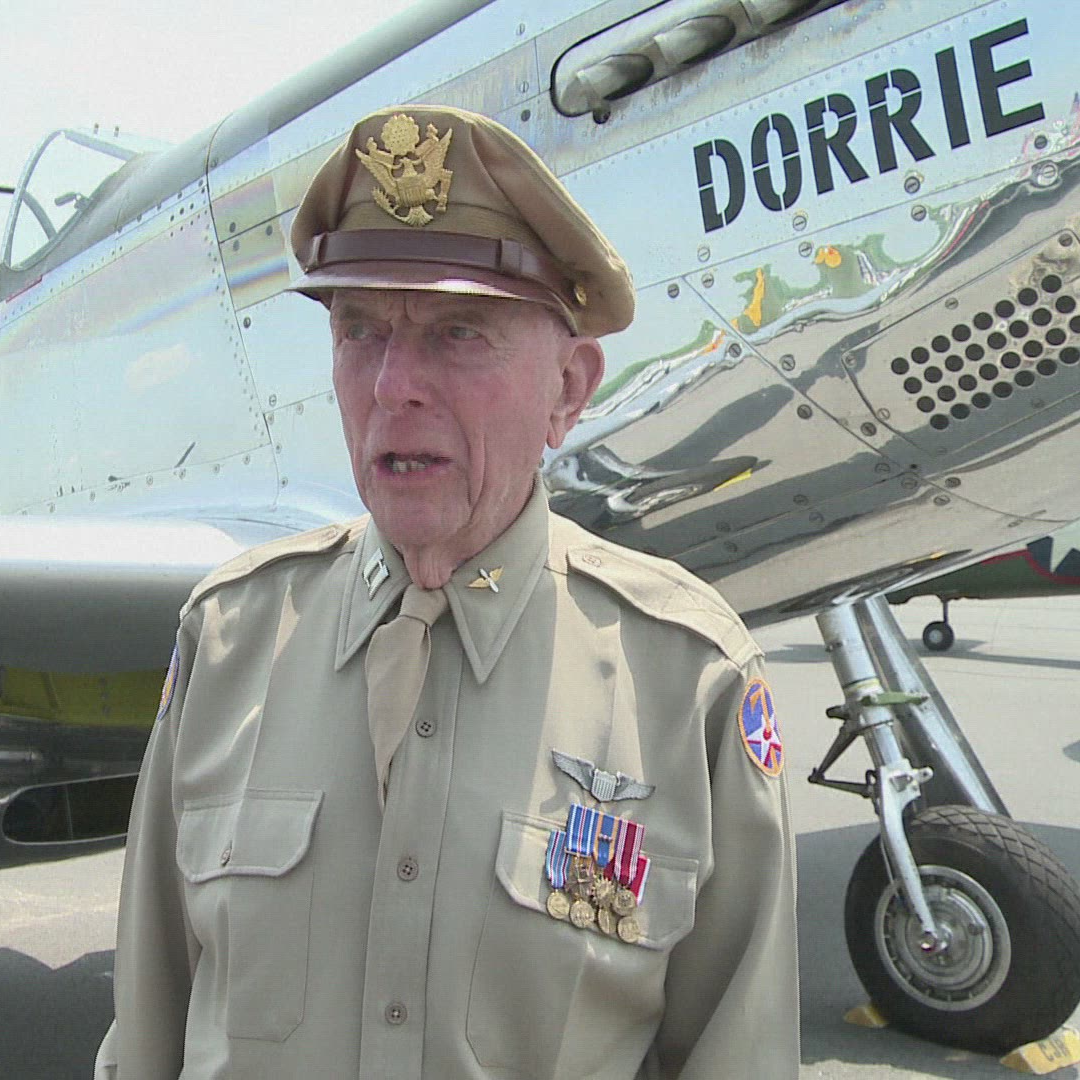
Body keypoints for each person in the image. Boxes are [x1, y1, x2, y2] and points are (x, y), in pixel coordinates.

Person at [95, 105, 797, 1080]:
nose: (393, 385)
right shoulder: (228, 637)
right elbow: (148, 1029)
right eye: (359, 329)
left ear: (568, 388)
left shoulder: (686, 681)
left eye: (457, 332)